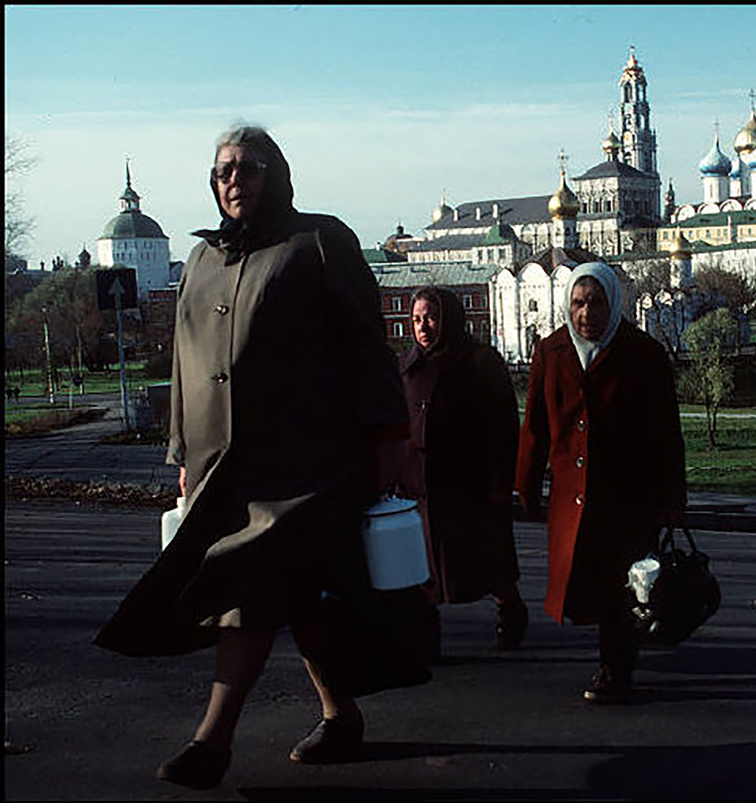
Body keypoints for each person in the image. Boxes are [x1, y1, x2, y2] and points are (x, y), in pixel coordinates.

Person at [93, 125, 415, 789]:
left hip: (306, 462)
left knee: (252, 586)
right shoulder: (205, 259)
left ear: (277, 174)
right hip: (223, 465)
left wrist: (389, 433)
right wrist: (182, 446)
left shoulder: (318, 241)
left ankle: (212, 738)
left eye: (247, 167)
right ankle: (340, 713)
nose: (232, 180)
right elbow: (185, 361)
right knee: (297, 593)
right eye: (222, 170)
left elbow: (366, 344)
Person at [515, 262, 687, 704]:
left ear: (613, 303)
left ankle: (615, 667)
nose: (586, 313)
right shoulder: (552, 351)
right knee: (585, 580)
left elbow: (666, 432)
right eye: (578, 302)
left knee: (620, 582)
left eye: (596, 302)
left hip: (628, 494)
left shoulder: (643, 353)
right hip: (573, 493)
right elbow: (534, 421)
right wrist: (527, 482)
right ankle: (615, 654)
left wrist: (670, 498)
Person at [398, 286, 528, 650]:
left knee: (487, 562)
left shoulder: (478, 362)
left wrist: (501, 482)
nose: (423, 327)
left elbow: (503, 426)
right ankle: (426, 638)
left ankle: (511, 609)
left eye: (431, 318)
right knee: (423, 569)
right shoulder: (407, 367)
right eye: (417, 320)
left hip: (469, 485)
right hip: (420, 486)